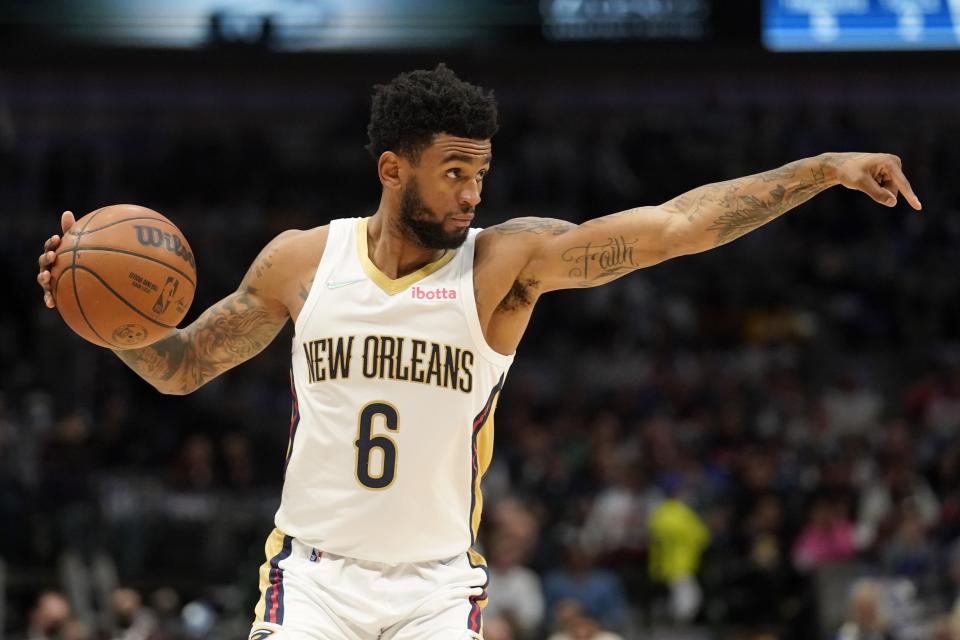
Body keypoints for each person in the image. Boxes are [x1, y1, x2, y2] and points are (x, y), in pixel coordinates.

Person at [36, 64, 921, 640]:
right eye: (452, 171)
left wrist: (820, 169)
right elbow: (183, 364)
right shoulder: (302, 261)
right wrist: (110, 323)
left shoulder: (505, 262)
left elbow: (675, 229)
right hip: (312, 580)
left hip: (433, 587)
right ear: (392, 169)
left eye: (480, 173)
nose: (471, 192)